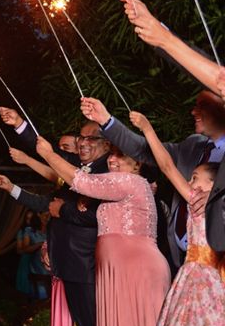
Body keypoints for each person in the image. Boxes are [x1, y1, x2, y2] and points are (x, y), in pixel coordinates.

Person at [36, 136, 171, 326]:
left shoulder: (132, 182)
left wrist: (49, 154)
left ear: (137, 164)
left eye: (122, 156)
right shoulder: (117, 188)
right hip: (115, 273)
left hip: (136, 271)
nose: (113, 160)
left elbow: (80, 181)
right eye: (112, 154)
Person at [0, 111, 110, 326]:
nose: (83, 142)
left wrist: (65, 210)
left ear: (108, 143)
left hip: (88, 266)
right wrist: (20, 125)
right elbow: (45, 152)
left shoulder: (108, 170)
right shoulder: (79, 168)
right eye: (81, 137)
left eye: (91, 138)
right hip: (69, 265)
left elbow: (97, 215)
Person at [122, 0, 225, 253]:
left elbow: (219, 78)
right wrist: (158, 33)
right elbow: (166, 166)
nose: (192, 183)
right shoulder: (193, 149)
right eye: (192, 177)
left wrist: (165, 39)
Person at [80, 93, 225, 274]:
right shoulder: (192, 145)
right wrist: (106, 119)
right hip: (182, 260)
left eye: (202, 106)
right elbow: (146, 150)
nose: (193, 111)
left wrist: (217, 200)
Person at [128, 111, 225, 326]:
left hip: (207, 282)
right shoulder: (197, 203)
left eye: (195, 178)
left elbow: (168, 167)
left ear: (214, 184)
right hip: (192, 278)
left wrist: (149, 130)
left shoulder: (210, 204)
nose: (190, 183)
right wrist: (147, 132)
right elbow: (167, 167)